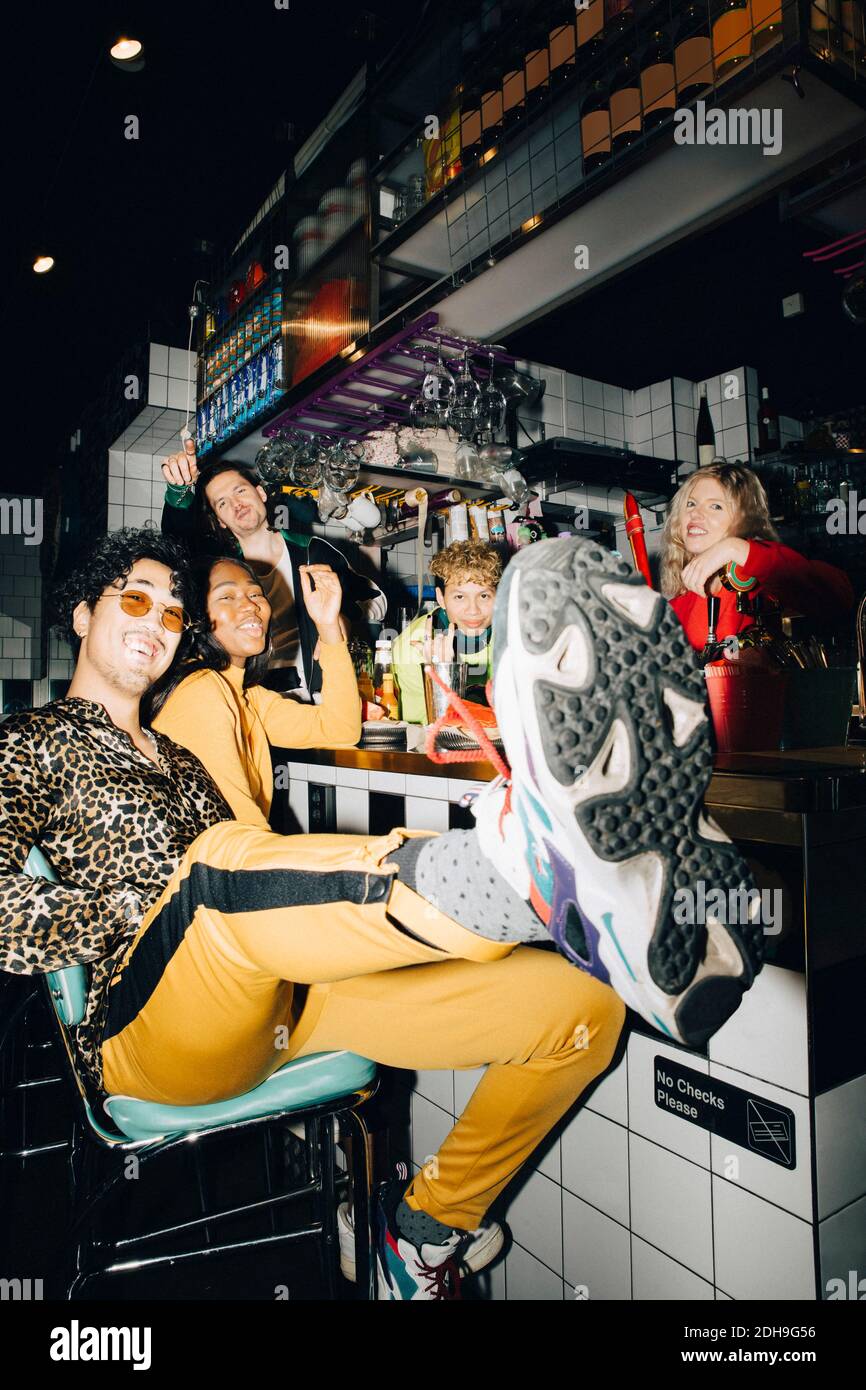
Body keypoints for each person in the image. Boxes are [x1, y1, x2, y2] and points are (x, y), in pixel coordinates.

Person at [0, 527, 763, 1299]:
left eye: (171, 612)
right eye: (136, 600)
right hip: (148, 1036)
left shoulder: (182, 761)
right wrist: (132, 906)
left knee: (582, 1010)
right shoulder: (32, 742)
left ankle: (423, 1237)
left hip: (275, 1008)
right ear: (80, 614)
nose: (158, 622)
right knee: (218, 862)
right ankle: (517, 873)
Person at [145, 556, 361, 829]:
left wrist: (328, 627)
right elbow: (238, 831)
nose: (250, 605)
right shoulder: (199, 692)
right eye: (227, 597)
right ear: (197, 616)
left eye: (255, 593)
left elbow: (340, 728)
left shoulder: (246, 695)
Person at [160, 439, 387, 697]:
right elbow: (175, 546)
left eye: (241, 491)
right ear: (220, 521)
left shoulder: (313, 552)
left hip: (317, 697)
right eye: (222, 503)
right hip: (245, 699)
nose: (236, 504)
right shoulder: (218, 570)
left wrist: (339, 622)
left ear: (261, 493)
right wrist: (178, 490)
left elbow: (376, 602)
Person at [660, 461, 854, 649]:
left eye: (715, 506)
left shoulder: (757, 575)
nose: (695, 514)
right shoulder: (677, 607)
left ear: (745, 520)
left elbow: (836, 598)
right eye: (691, 504)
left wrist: (734, 548)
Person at [392, 540, 501, 724]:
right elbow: (432, 732)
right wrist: (442, 671)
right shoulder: (412, 648)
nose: (473, 610)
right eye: (459, 597)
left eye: (484, 596)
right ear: (440, 598)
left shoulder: (512, 636)